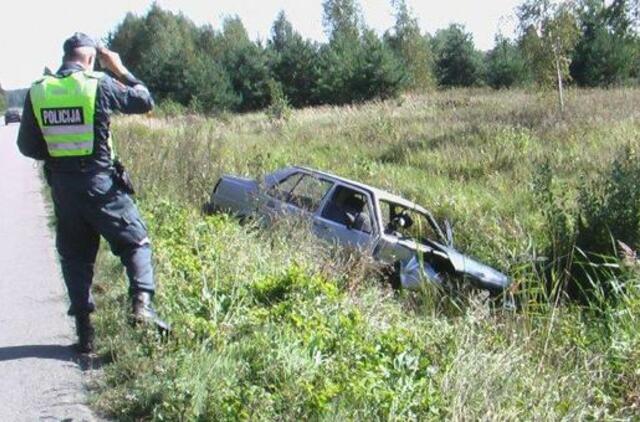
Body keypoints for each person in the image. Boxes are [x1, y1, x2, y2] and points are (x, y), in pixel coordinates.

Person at [17, 33, 168, 353]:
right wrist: (121, 69)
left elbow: (27, 146)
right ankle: (142, 306)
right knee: (135, 241)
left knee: (75, 257)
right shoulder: (97, 83)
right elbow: (144, 101)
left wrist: (60, 158)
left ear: (65, 56)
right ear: (89, 59)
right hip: (102, 186)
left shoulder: (39, 91)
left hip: (64, 189)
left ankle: (85, 335)